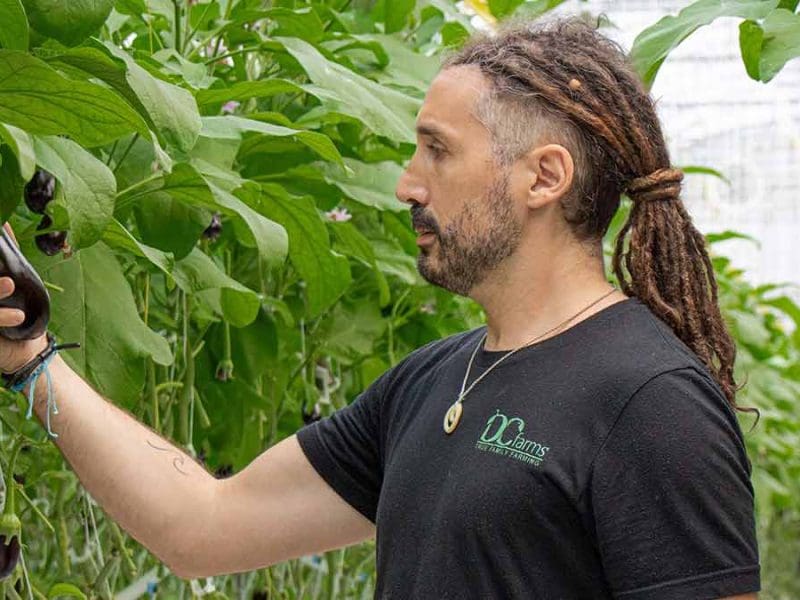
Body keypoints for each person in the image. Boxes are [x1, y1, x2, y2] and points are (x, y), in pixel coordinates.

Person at [0, 14, 759, 600]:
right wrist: (31, 362)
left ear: (544, 177)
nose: (407, 184)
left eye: (437, 150)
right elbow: (204, 526)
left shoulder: (649, 402)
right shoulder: (431, 381)